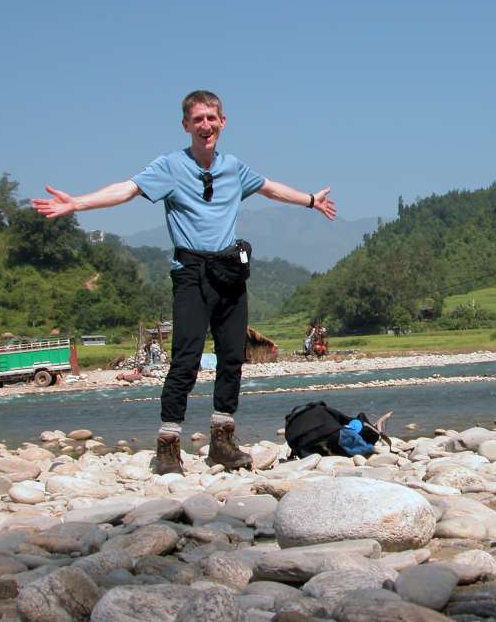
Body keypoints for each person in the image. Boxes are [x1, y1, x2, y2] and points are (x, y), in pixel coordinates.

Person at [32, 90, 336, 474]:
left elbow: (270, 188)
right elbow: (126, 190)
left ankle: (222, 442)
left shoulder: (234, 168)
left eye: (211, 118)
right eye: (198, 120)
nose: (205, 126)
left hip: (229, 271)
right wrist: (77, 203)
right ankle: (168, 446)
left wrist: (311, 200)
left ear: (223, 122)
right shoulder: (169, 166)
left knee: (231, 357)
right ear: (186, 125)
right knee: (186, 359)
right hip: (191, 273)